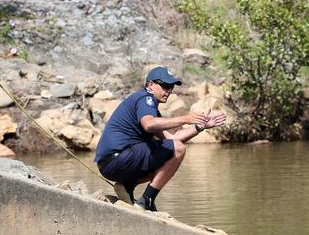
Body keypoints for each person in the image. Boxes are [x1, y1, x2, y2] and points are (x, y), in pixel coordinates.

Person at [94, 66, 226, 211]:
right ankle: (147, 200)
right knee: (178, 149)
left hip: (108, 165)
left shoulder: (149, 107)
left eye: (171, 87)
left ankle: (127, 185)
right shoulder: (145, 99)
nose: (168, 91)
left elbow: (173, 138)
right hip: (118, 159)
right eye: (165, 86)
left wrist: (200, 126)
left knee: (172, 152)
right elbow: (149, 125)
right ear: (151, 85)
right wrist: (185, 118)